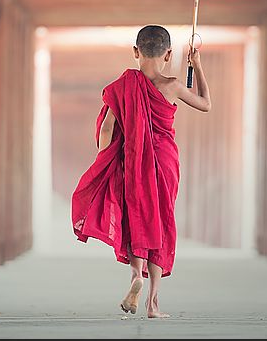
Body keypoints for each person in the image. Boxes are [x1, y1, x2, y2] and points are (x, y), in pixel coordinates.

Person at [71, 25, 211, 319]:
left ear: (136, 52)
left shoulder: (123, 84)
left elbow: (108, 127)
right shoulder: (172, 85)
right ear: (169, 53)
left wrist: (105, 160)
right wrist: (196, 65)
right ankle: (153, 303)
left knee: (137, 217)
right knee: (161, 220)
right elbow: (205, 104)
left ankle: (136, 275)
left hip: (132, 160)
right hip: (165, 161)